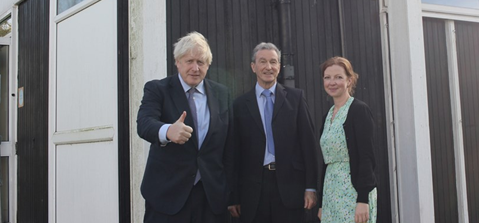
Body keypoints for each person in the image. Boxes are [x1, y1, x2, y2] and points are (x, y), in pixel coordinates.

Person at [137, 32, 232, 223]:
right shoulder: (158, 89)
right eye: (189, 61)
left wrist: (232, 193)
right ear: (177, 62)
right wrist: (167, 131)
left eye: (201, 62)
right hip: (168, 197)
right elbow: (144, 123)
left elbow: (229, 145)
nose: (195, 68)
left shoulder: (222, 94)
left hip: (211, 199)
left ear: (208, 65)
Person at [228, 42, 318, 223]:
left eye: (273, 62)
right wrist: (233, 196)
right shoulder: (240, 105)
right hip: (253, 191)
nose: (268, 67)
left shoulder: (296, 98)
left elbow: (309, 146)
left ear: (279, 67)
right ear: (253, 67)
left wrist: (311, 187)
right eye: (263, 62)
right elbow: (234, 154)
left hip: (290, 188)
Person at [318, 56, 377, 223]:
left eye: (338, 77)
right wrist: (322, 203)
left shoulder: (359, 110)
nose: (332, 82)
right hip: (331, 192)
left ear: (349, 80)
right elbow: (325, 162)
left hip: (353, 192)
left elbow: (367, 157)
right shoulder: (328, 116)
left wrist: (363, 199)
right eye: (327, 77)